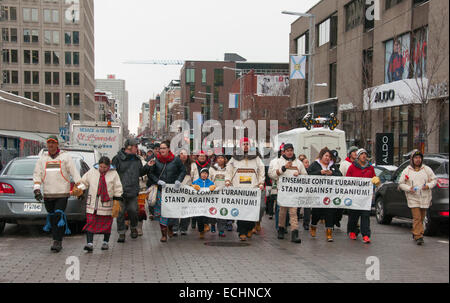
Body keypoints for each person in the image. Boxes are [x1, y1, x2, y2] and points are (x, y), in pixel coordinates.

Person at [33, 135, 81, 253]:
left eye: (53, 143)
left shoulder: (65, 157)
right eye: (49, 143)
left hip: (62, 193)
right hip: (48, 194)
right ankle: (56, 237)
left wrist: (79, 187)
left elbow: (74, 172)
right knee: (52, 216)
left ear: (57, 144)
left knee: (58, 216)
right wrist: (37, 189)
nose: (51, 145)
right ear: (47, 145)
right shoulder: (42, 159)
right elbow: (37, 174)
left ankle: (57, 241)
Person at [75, 157, 123, 252]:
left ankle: (105, 242)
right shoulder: (93, 171)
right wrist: (79, 189)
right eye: (101, 166)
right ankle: (89, 243)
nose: (102, 169)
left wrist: (117, 200)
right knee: (90, 223)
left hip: (106, 203)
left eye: (105, 167)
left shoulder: (114, 173)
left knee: (106, 224)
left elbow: (118, 187)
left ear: (108, 167)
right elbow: (85, 182)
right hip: (92, 202)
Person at [225, 137, 265, 241]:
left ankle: (249, 228)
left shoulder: (256, 158)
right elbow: (229, 169)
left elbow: (261, 170)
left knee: (251, 210)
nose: (246, 146)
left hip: (252, 188)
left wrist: (261, 182)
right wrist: (228, 180)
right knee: (241, 210)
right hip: (239, 187)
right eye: (244, 144)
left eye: (248, 144)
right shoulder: (234, 158)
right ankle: (241, 231)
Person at [147, 140, 186, 242]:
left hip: (172, 191)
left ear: (169, 149)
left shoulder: (176, 160)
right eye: (161, 148)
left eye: (164, 148)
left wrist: (179, 180)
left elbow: (183, 170)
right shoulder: (156, 160)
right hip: (161, 190)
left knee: (172, 213)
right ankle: (163, 234)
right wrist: (157, 181)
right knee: (162, 213)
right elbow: (150, 173)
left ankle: (170, 228)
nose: (162, 150)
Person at [112, 138, 149, 243]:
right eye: (135, 146)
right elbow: (112, 173)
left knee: (133, 211)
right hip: (120, 191)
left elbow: (140, 173)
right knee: (120, 213)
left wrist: (148, 167)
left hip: (133, 190)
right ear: (129, 147)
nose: (137, 148)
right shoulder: (117, 159)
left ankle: (133, 227)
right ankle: (121, 233)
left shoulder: (137, 159)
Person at [269, 143, 307, 243]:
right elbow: (272, 175)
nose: (290, 152)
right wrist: (283, 168)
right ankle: (281, 229)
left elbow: (305, 175)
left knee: (293, 213)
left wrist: (299, 175)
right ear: (284, 152)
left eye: (291, 150)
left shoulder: (298, 163)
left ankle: (295, 233)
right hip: (282, 192)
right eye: (287, 150)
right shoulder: (278, 162)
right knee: (282, 212)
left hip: (294, 193)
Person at [398, 149, 437, 245]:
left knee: (422, 218)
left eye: (419, 158)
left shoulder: (426, 169)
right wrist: (409, 188)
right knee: (417, 217)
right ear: (412, 159)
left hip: (424, 197)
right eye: (416, 158)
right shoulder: (407, 170)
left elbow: (434, 180)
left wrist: (428, 185)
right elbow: (401, 183)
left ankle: (416, 232)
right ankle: (418, 236)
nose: (418, 160)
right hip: (413, 197)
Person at [307, 147, 342, 242]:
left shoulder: (333, 166)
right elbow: (307, 175)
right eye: (326, 156)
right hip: (317, 194)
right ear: (321, 156)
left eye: (329, 156)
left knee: (330, 213)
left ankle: (329, 233)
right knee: (316, 213)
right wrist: (319, 172)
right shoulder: (315, 165)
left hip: (330, 195)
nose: (327, 158)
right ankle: (313, 227)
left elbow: (340, 176)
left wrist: (332, 173)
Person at [346, 148, 380, 244]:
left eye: (365, 154)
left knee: (365, 216)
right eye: (362, 154)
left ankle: (366, 235)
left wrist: (376, 181)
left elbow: (374, 179)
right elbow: (347, 180)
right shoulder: (352, 167)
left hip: (365, 198)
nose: (364, 156)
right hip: (355, 197)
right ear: (358, 156)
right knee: (353, 215)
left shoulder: (370, 168)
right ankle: (352, 231)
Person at [192, 168, 216, 239]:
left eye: (206, 173)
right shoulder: (196, 182)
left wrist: (213, 187)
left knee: (206, 215)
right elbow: (190, 188)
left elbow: (215, 190)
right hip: (198, 204)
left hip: (207, 203)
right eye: (203, 173)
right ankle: (201, 231)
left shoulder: (210, 182)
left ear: (208, 175)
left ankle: (206, 224)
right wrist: (193, 186)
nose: (204, 175)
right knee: (199, 218)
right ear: (200, 174)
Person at [191, 151, 212, 232]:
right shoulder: (194, 164)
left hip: (205, 188)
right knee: (195, 205)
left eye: (203, 156)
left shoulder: (208, 165)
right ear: (197, 157)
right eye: (200, 156)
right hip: (196, 187)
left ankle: (205, 224)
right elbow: (191, 174)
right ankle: (193, 221)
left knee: (204, 206)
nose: (202, 157)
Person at [173, 149, 192, 236]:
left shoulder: (192, 165)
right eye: (181, 154)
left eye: (185, 154)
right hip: (176, 190)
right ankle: (175, 228)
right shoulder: (174, 163)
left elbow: (195, 177)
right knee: (175, 209)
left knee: (186, 209)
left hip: (188, 191)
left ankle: (184, 228)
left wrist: (193, 186)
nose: (183, 155)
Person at [209, 154, 228, 237]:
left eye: (222, 158)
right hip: (214, 193)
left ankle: (221, 229)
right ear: (216, 160)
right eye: (218, 158)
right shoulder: (212, 169)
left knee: (222, 211)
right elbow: (209, 179)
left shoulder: (228, 169)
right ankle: (213, 224)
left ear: (224, 159)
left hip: (224, 194)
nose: (220, 160)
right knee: (213, 210)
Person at [298, 154, 311, 230]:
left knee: (307, 208)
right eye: (306, 162)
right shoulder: (298, 171)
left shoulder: (311, 171)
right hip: (299, 192)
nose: (307, 164)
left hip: (307, 192)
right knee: (297, 207)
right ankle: (295, 220)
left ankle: (306, 223)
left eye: (308, 162)